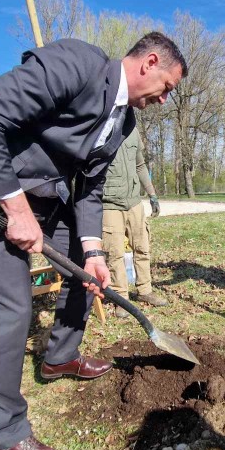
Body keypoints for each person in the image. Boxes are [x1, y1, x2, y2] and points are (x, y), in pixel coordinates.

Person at [0, 33, 187, 450]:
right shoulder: (77, 63)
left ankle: (60, 356)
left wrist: (93, 249)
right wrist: (16, 207)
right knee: (11, 308)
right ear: (151, 62)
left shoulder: (124, 123)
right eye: (168, 86)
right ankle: (7, 434)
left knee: (88, 277)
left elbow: (90, 187)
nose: (165, 99)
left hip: (51, 198)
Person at [101, 126, 168, 317]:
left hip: (134, 202)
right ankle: (121, 299)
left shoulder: (132, 130)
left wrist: (152, 194)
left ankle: (145, 291)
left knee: (142, 247)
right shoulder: (100, 127)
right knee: (114, 254)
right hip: (109, 204)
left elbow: (140, 165)